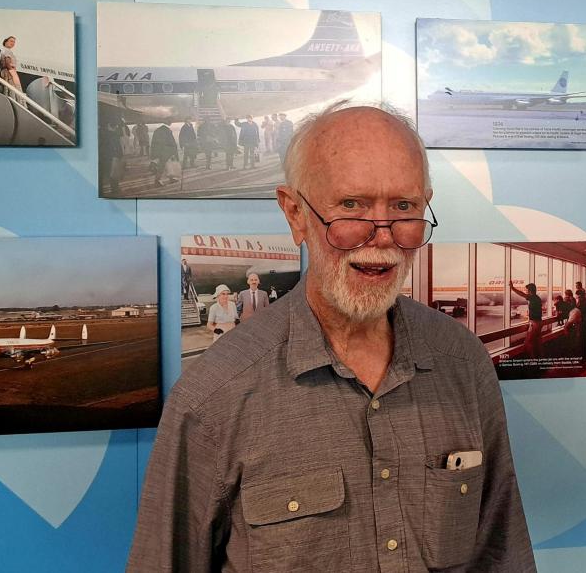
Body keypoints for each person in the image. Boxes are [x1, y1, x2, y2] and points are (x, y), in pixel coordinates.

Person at [130, 102, 535, 572]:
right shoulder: (214, 396)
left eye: (403, 208)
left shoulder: (462, 362)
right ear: (296, 213)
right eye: (352, 206)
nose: (382, 236)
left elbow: (501, 552)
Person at [510, 281, 543, 359]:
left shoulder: (533, 297)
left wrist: (512, 288)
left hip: (534, 323)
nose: (526, 292)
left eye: (527, 290)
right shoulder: (537, 298)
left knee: (528, 342)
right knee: (537, 341)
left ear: (530, 291)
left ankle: (533, 360)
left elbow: (522, 294)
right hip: (538, 322)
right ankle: (540, 357)